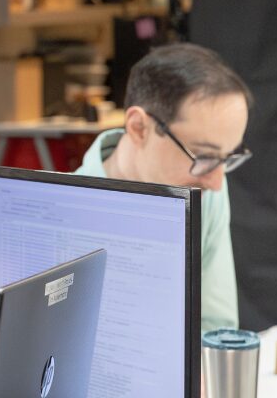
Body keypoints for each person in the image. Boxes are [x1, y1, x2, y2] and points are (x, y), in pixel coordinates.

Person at [74, 43, 250, 332]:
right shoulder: (58, 208)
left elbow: (213, 328)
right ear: (139, 127)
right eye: (204, 155)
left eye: (227, 157)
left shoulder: (206, 186)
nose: (217, 182)